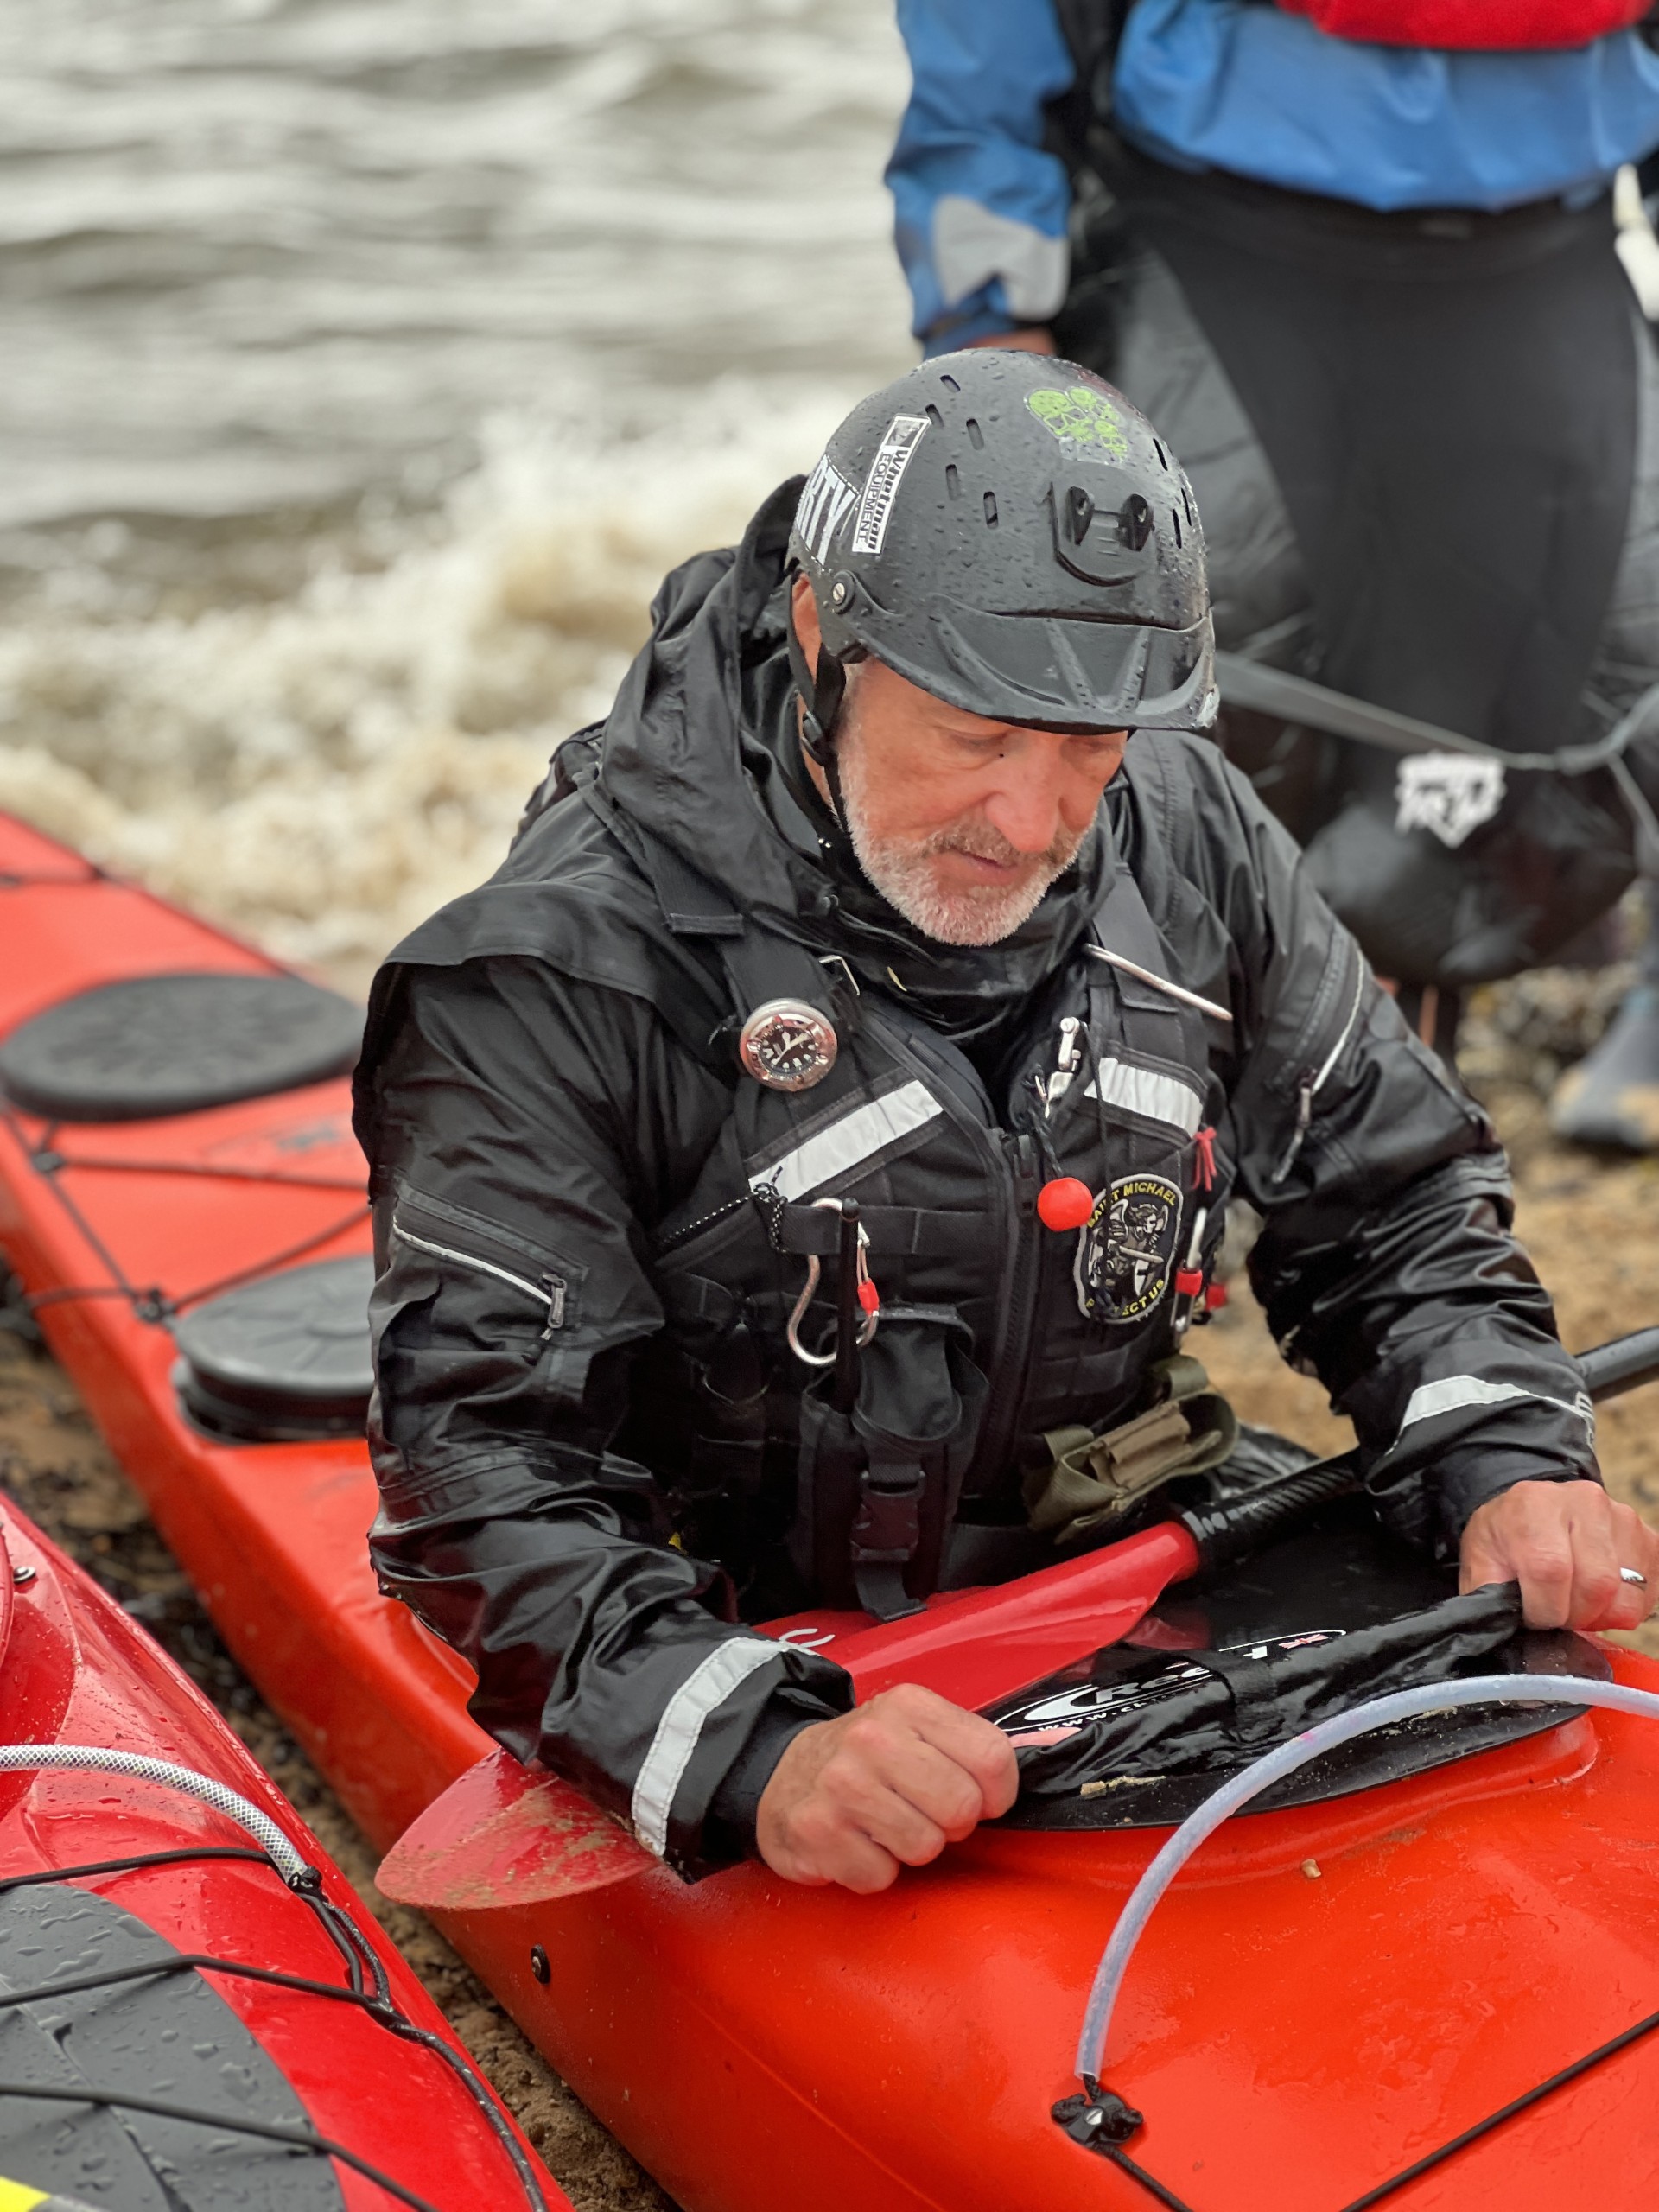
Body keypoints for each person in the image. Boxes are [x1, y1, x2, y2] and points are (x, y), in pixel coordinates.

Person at [353, 353, 1658, 1899]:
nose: (1036, 826)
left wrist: (1498, 1442)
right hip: (744, 1637)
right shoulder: (542, 974)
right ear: (826, 640)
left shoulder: (1184, 820)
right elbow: (486, 1466)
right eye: (982, 736)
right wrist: (755, 1752)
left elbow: (1393, 1203)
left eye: (1090, 754)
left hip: (1120, 1564)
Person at [887, 0, 1659, 1134]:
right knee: (1179, 724)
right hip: (1214, 242)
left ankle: (1421, 1124)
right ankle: (1126, 1099)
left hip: (1552, 241)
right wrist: (990, 323)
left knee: (1552, 714)